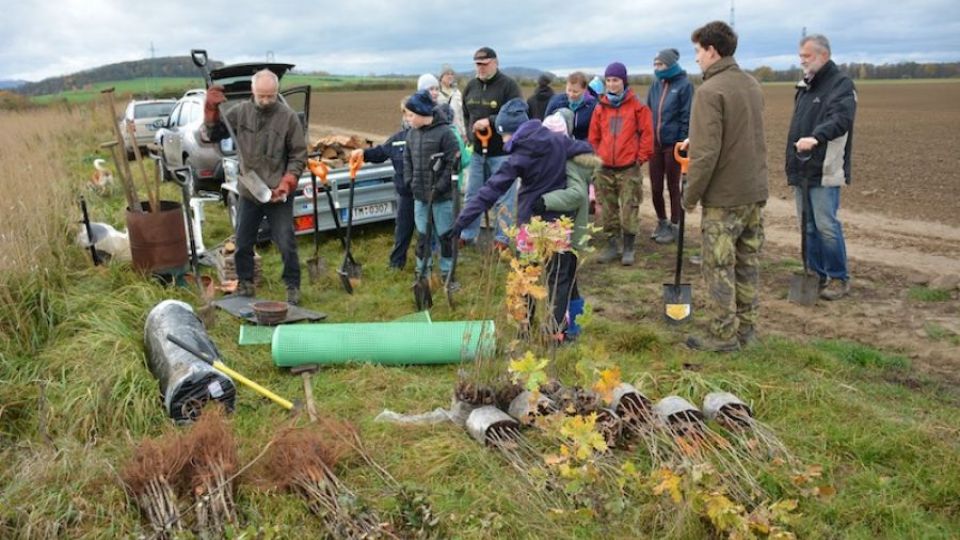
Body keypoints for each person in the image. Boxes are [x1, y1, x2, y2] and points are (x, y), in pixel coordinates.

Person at [443, 99, 594, 340]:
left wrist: (461, 221)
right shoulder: (558, 141)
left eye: (502, 135)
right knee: (560, 277)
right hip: (559, 225)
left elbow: (489, 190)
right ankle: (555, 333)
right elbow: (585, 152)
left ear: (511, 131)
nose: (502, 141)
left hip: (530, 225)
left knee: (526, 275)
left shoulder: (518, 157)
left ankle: (524, 326)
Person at [680, 21, 768, 352]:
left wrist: (690, 196)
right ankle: (748, 332)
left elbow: (705, 154)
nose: (697, 59)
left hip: (724, 198)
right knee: (748, 263)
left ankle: (723, 335)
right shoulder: (751, 84)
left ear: (712, 51)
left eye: (698, 52)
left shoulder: (709, 91)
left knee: (718, 267)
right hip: (753, 192)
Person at [203, 69, 307, 305]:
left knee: (286, 242)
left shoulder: (288, 118)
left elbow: (299, 156)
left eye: (271, 96)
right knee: (242, 242)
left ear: (276, 92)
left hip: (278, 192)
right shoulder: (240, 113)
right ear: (253, 91)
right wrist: (210, 110)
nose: (267, 101)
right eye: (262, 96)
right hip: (250, 189)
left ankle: (292, 287)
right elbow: (213, 135)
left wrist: (287, 182)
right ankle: (246, 283)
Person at [785, 34, 857, 301]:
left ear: (823, 55)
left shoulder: (841, 85)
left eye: (807, 56)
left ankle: (839, 277)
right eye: (801, 56)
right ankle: (816, 275)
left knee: (826, 225)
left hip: (825, 166)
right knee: (808, 226)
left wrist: (816, 137)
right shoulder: (804, 86)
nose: (802, 61)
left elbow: (842, 118)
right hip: (802, 166)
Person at [540, 109, 601, 340]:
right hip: (561, 229)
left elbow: (577, 195)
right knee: (568, 278)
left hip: (569, 231)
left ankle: (559, 329)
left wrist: (543, 202)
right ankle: (574, 326)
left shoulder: (569, 162)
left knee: (562, 278)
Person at [587, 61, 654, 266]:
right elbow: (594, 136)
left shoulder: (638, 107)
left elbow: (647, 135)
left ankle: (629, 247)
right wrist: (599, 156)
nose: (611, 84)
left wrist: (640, 158)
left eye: (615, 80)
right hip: (605, 168)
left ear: (623, 81)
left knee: (629, 208)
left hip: (628, 168)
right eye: (608, 80)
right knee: (608, 209)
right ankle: (611, 245)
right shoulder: (601, 107)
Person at [460, 46, 523, 249]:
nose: (481, 68)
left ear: (495, 62)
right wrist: (471, 134)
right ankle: (468, 234)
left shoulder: (508, 86)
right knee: (473, 194)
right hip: (478, 152)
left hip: (502, 153)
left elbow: (518, 113)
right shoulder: (470, 87)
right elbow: (466, 114)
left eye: (485, 64)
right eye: (478, 65)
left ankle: (502, 239)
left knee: (504, 196)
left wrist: (491, 121)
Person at [402, 90, 460, 286]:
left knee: (445, 236)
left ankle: (448, 274)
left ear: (421, 113)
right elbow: (407, 159)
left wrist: (440, 186)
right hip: (419, 195)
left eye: (410, 115)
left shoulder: (445, 133)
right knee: (423, 236)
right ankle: (422, 273)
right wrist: (410, 180)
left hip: (442, 197)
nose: (408, 119)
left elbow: (454, 162)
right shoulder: (411, 134)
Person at [351, 101, 411, 270]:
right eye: (406, 113)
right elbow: (381, 153)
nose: (409, 117)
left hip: (425, 192)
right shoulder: (398, 139)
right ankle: (396, 264)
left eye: (412, 113)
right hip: (405, 193)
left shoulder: (427, 137)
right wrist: (363, 153)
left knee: (428, 230)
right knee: (403, 229)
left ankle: (428, 262)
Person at [646, 48, 694, 245]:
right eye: (655, 65)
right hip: (655, 144)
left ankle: (676, 224)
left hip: (674, 145)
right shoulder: (655, 85)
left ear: (671, 65)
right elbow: (648, 111)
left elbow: (687, 116)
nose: (657, 68)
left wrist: (682, 142)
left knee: (674, 187)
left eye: (661, 64)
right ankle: (662, 221)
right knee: (656, 187)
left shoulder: (684, 85)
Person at [544, 71, 598, 141]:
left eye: (575, 91)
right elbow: (546, 123)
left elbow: (595, 132)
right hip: (558, 144)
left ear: (584, 89)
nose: (571, 94)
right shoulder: (556, 101)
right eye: (569, 90)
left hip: (582, 146)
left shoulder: (593, 106)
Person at [436, 64, 466, 140]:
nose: (450, 76)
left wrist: (464, 132)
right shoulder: (436, 93)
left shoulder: (457, 93)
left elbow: (461, 114)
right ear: (441, 77)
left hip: (457, 131)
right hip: (441, 133)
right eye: (447, 74)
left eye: (452, 74)